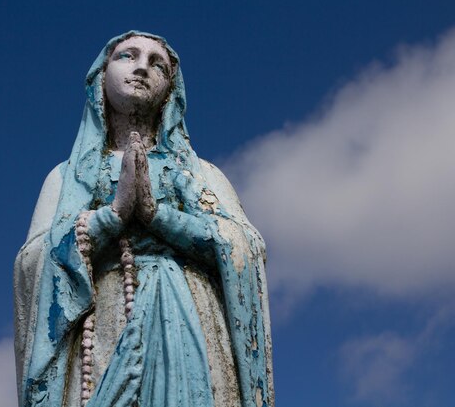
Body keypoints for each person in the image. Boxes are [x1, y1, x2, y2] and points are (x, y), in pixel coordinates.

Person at [14, 31, 274, 407]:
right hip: (100, 329)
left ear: (170, 90)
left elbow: (245, 248)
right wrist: (111, 217)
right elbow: (31, 263)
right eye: (127, 56)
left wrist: (158, 216)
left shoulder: (200, 174)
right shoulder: (68, 177)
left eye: (158, 64)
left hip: (188, 325)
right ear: (100, 78)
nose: (141, 67)